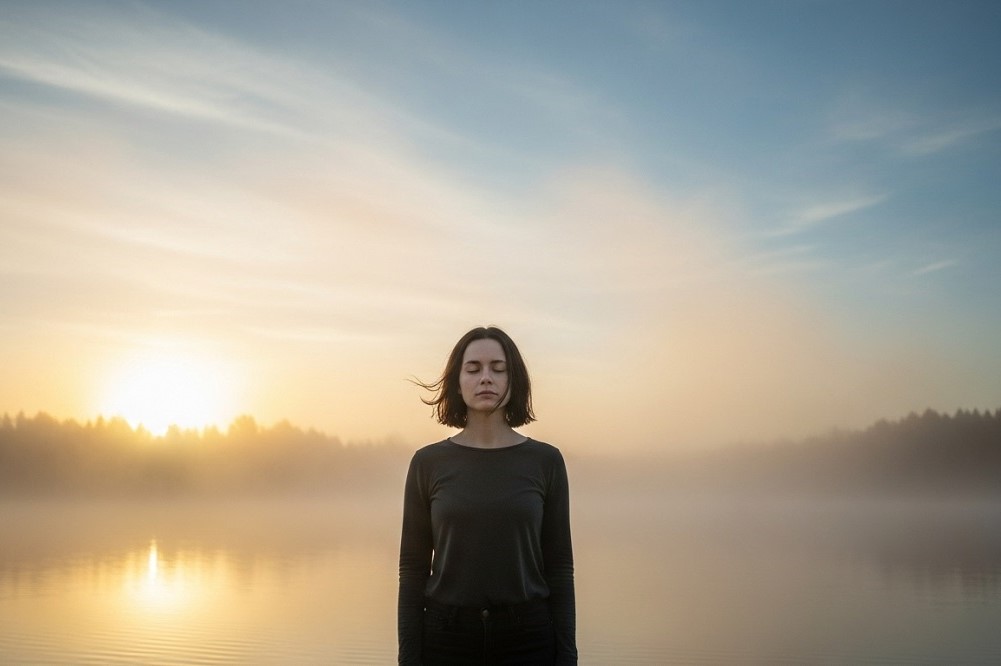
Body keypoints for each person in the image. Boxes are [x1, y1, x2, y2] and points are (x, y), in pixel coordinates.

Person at [398, 326, 577, 665]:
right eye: (474, 368)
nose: (486, 378)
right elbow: (412, 569)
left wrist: (567, 656)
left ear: (515, 380)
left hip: (528, 640)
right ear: (457, 380)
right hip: (446, 640)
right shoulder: (427, 463)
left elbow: (559, 566)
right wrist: (408, 658)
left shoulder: (546, 461)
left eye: (498, 368)